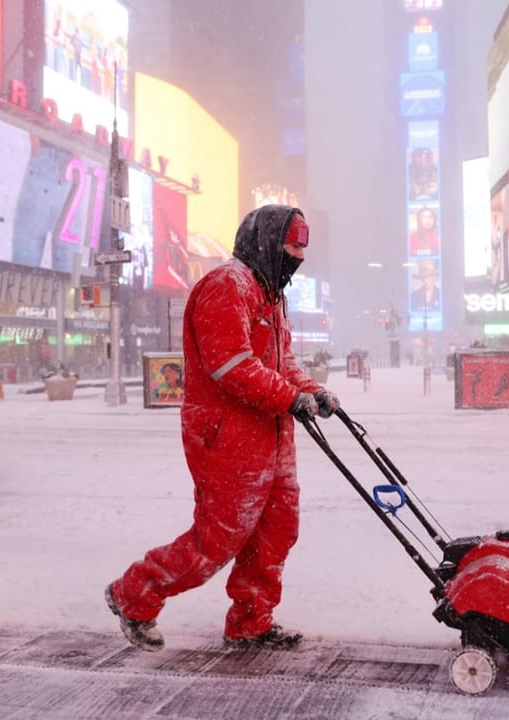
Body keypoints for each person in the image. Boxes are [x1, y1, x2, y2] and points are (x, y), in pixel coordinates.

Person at [105, 205, 341, 652]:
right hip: (228, 436)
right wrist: (291, 398)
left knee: (276, 531)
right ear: (269, 243)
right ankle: (134, 593)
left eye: (303, 248)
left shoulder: (271, 293)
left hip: (272, 436)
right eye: (292, 245)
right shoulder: (225, 287)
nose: (299, 256)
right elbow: (231, 366)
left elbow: (280, 361)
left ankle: (251, 622)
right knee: (217, 540)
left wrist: (312, 390)